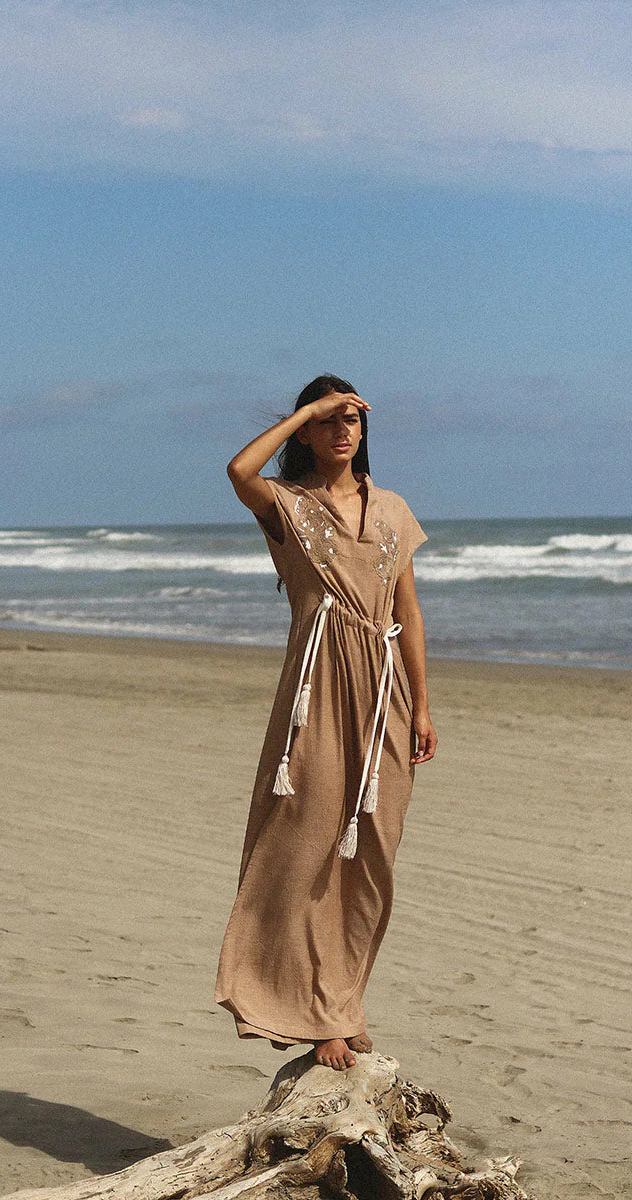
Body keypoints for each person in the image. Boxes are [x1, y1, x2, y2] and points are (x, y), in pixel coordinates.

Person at [214, 374, 438, 1072]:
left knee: (370, 852)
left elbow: (408, 608)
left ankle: (344, 1001)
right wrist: (303, 410)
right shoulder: (289, 505)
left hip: (384, 694)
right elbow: (238, 469)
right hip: (315, 690)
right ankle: (317, 1016)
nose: (345, 429)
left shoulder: (393, 510)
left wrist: (424, 705)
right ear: (308, 430)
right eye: (330, 419)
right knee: (308, 844)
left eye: (353, 419)